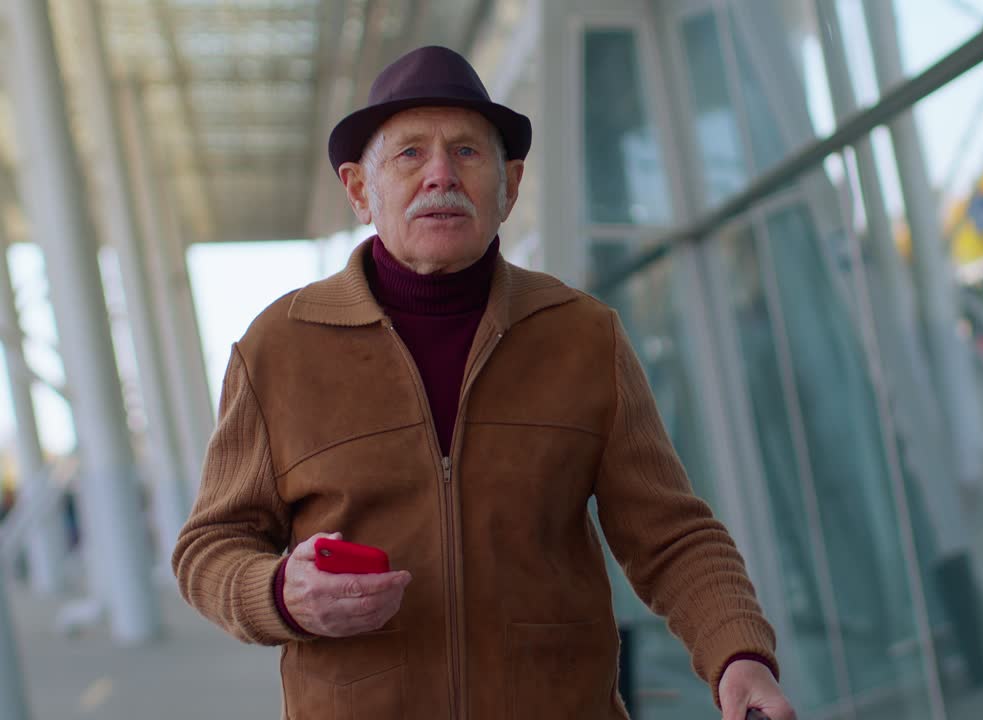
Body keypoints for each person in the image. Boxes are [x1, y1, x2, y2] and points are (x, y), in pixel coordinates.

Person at [172, 45, 796, 720]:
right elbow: (209, 549)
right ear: (360, 190)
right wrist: (277, 594)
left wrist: (740, 656)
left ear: (511, 185)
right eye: (410, 154)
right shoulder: (278, 349)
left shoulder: (583, 337)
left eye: (467, 152)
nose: (440, 175)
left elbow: (672, 536)